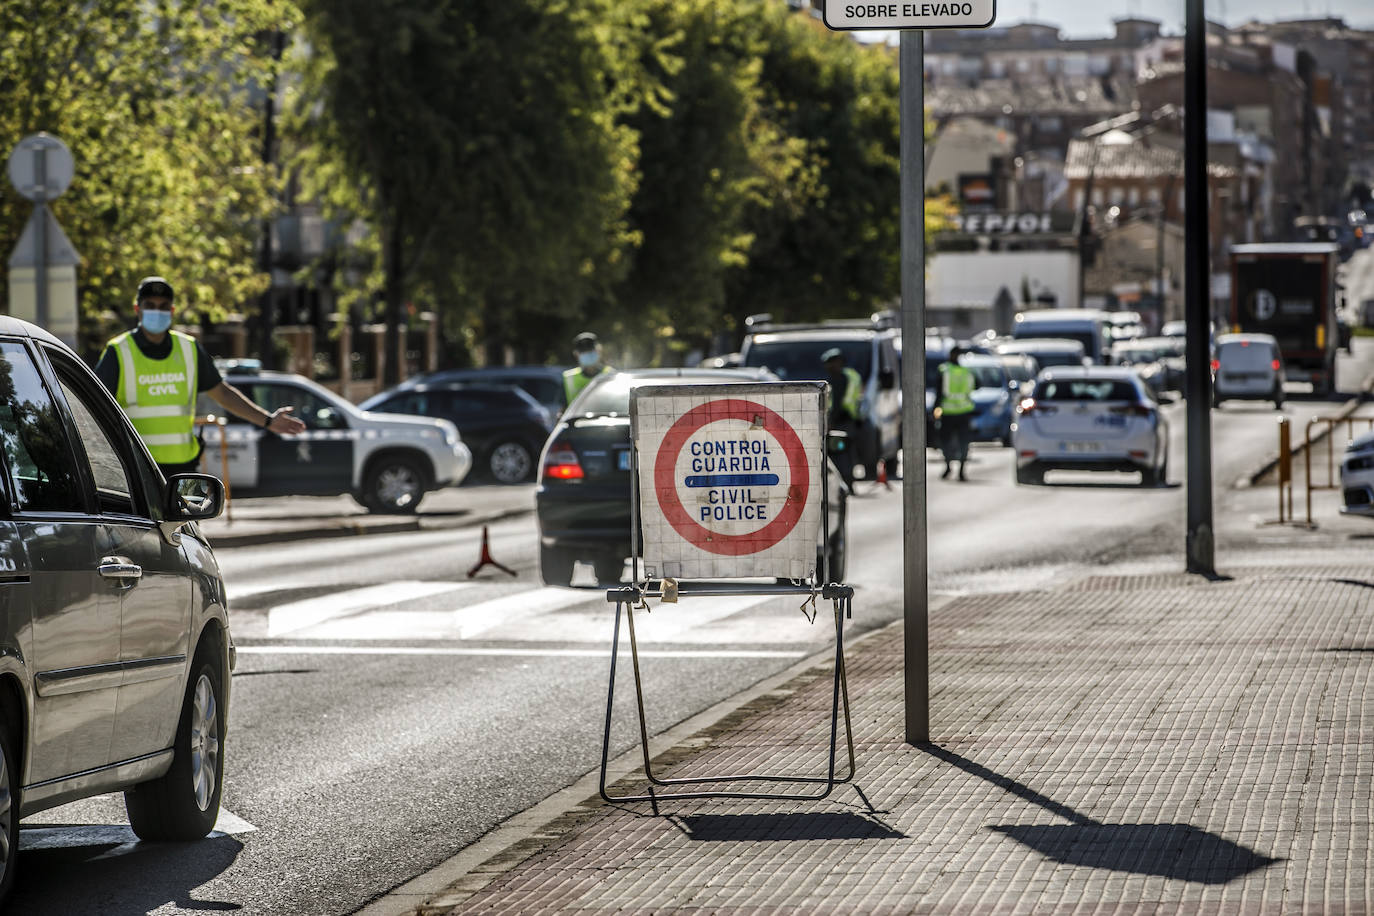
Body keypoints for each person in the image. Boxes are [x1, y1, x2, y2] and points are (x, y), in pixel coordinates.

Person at [95, 276, 306, 478]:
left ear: (172, 311)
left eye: (163, 306)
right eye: (149, 305)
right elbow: (96, 406)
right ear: (137, 310)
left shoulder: (189, 349)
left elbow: (222, 393)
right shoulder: (118, 352)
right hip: (135, 469)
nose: (156, 311)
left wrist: (268, 421)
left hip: (184, 469)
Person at [822, 347, 863, 488]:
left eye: (830, 363)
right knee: (847, 453)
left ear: (838, 362)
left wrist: (830, 422)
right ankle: (848, 482)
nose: (828, 367)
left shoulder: (838, 379)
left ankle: (844, 484)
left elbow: (837, 403)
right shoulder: (851, 375)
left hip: (841, 421)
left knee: (840, 454)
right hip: (850, 420)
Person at [935, 345, 975, 481]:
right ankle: (962, 470)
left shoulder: (944, 370)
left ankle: (948, 466)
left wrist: (935, 409)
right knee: (963, 443)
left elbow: (938, 392)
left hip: (948, 413)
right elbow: (977, 385)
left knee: (945, 441)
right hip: (964, 412)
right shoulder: (966, 371)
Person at [562, 331, 613, 405]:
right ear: (576, 354)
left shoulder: (611, 375)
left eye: (590, 350)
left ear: (599, 351)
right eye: (583, 352)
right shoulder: (569, 378)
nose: (587, 354)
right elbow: (563, 409)